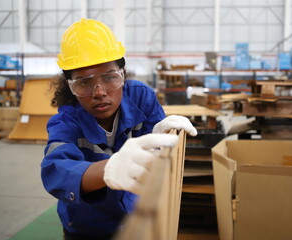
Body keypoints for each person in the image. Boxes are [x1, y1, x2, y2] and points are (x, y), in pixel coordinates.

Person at [41, 18, 197, 240]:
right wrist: (108, 169)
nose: (100, 92)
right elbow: (56, 170)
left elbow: (156, 156)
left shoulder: (141, 98)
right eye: (84, 83)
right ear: (70, 86)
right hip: (88, 228)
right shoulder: (66, 122)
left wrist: (160, 136)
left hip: (139, 220)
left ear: (122, 73)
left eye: (109, 78)